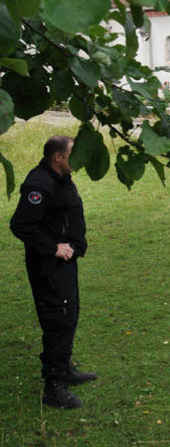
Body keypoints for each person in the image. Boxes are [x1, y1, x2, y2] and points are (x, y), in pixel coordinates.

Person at [10, 135, 97, 409]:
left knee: (68, 315)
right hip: (48, 266)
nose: (79, 158)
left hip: (64, 263)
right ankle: (54, 387)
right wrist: (53, 248)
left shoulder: (59, 177)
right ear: (58, 156)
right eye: (74, 153)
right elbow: (21, 225)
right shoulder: (40, 183)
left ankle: (64, 369)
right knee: (58, 319)